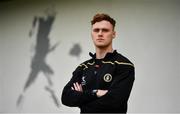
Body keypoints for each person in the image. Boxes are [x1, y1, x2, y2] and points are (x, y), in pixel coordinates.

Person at [61, 13, 135, 113]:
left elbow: (114, 102)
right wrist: (95, 93)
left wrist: (81, 100)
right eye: (96, 30)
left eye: (105, 30)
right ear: (92, 34)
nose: (100, 33)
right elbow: (66, 97)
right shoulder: (83, 67)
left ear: (113, 34)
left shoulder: (124, 65)